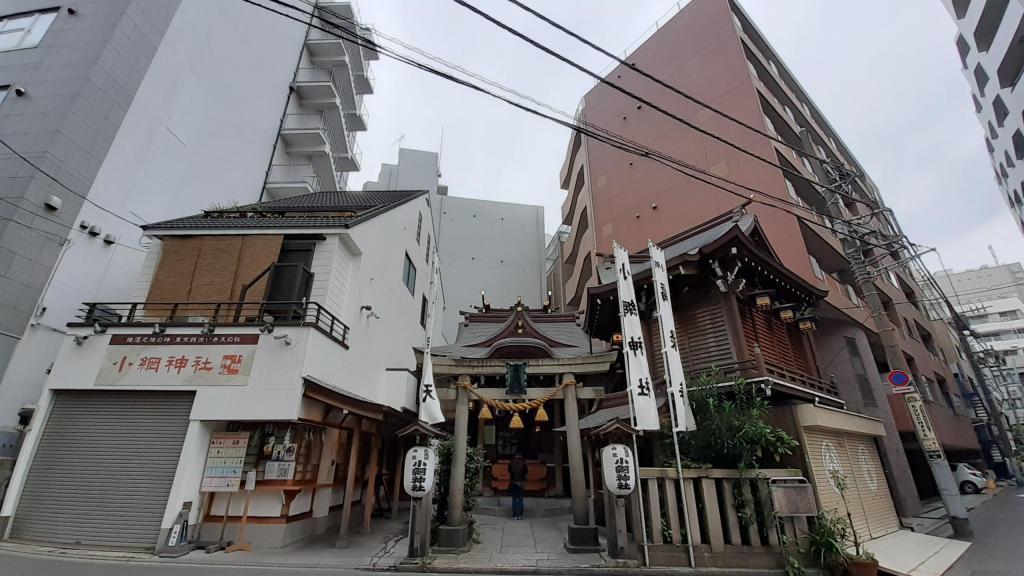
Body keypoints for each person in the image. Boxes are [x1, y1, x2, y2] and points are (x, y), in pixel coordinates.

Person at [509, 453, 527, 520]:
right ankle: (520, 515)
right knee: (520, 499)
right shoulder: (523, 462)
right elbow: (526, 471)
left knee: (514, 499)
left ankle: (515, 515)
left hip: (513, 482)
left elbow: (509, 471)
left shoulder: (511, 462)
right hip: (521, 482)